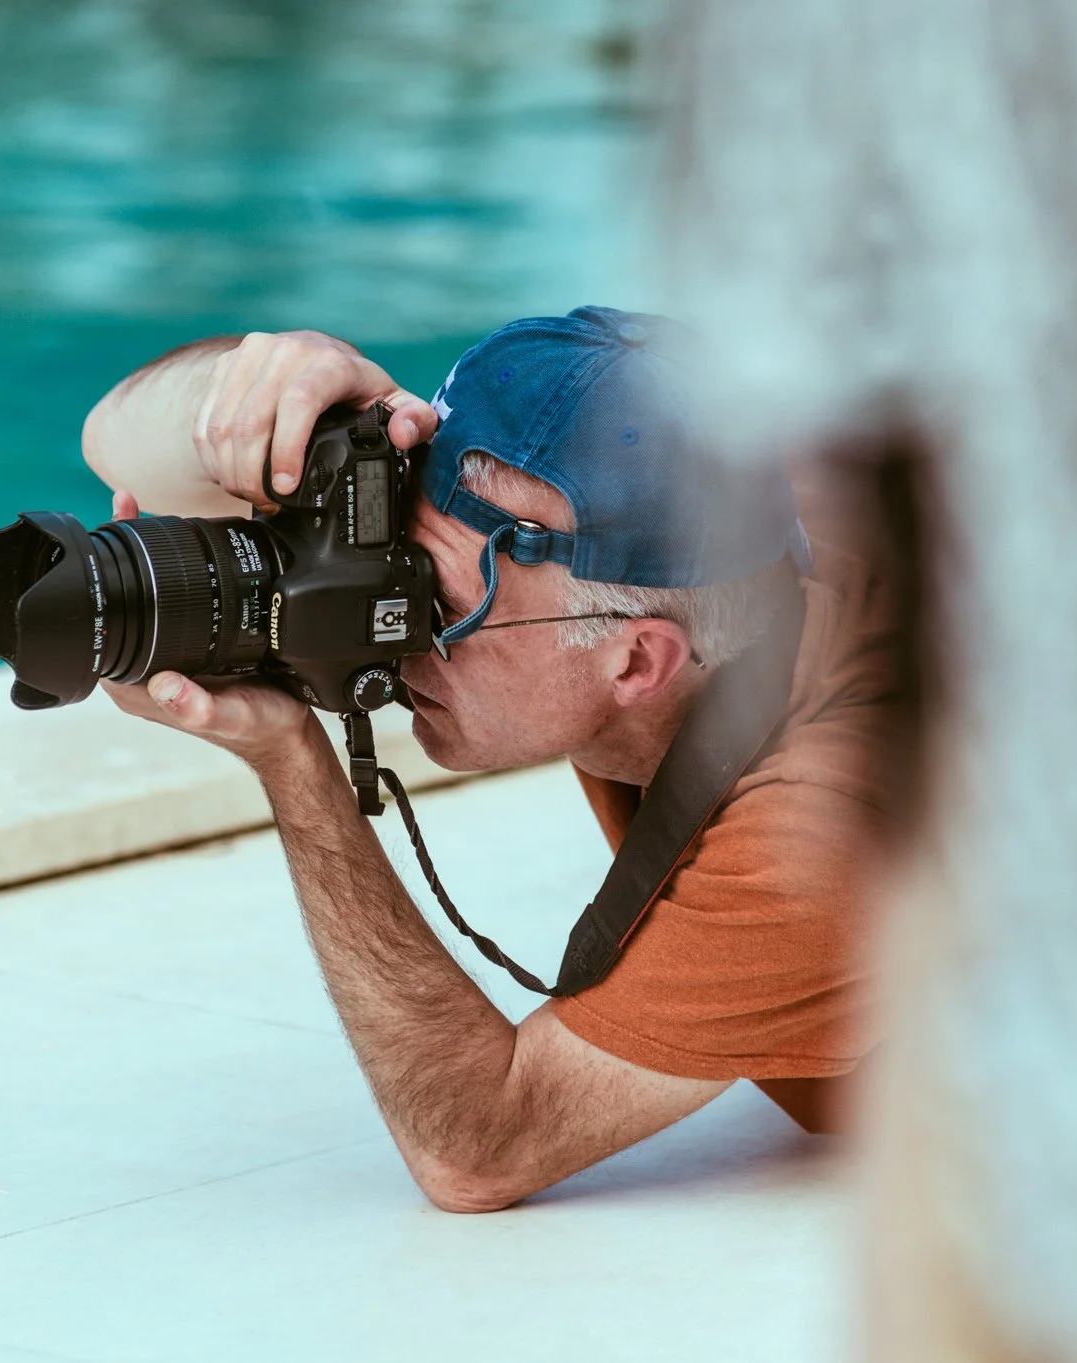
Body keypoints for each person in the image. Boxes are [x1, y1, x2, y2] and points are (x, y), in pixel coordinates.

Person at [80, 306, 896, 1214]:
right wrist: (288, 384)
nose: (393, 633)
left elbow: (478, 1147)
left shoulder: (832, 829)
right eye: (390, 560)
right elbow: (111, 439)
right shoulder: (729, 503)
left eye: (439, 609)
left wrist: (293, 761)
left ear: (636, 661)